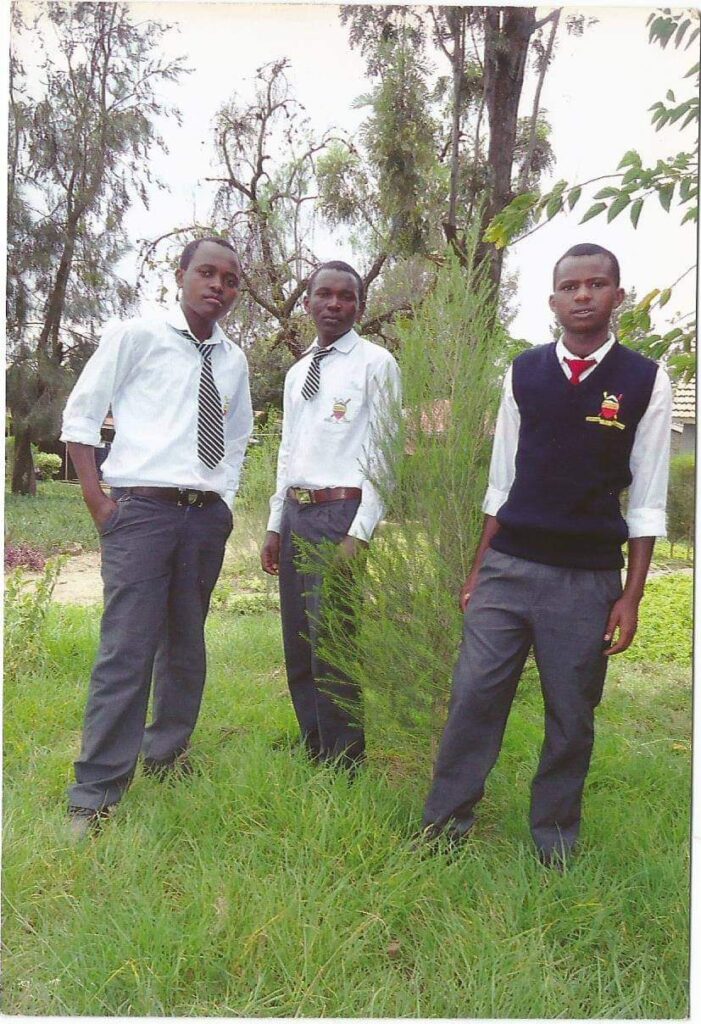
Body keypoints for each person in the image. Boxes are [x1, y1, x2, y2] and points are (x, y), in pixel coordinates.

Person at [421, 243, 672, 866]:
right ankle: (443, 828)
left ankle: (554, 841)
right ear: (553, 299)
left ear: (617, 295)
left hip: (586, 582)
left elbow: (647, 500)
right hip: (507, 569)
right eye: (570, 286)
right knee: (474, 698)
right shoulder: (523, 371)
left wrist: (631, 597)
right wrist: (479, 570)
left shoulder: (645, 380)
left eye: (597, 284)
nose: (583, 295)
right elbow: (500, 484)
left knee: (571, 715)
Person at [61, 237, 253, 835]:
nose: (217, 286)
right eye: (207, 273)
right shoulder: (136, 335)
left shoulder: (233, 360)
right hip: (141, 512)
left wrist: (224, 501)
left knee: (185, 643)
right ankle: (95, 791)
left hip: (204, 518)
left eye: (229, 279)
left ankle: (167, 751)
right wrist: (99, 502)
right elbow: (80, 417)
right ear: (181, 275)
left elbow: (237, 436)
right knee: (127, 648)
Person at [260, 260, 401, 768]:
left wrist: (360, 532)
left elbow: (385, 453)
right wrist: (275, 523)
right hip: (297, 513)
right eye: (324, 294)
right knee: (299, 636)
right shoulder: (299, 371)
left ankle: (345, 757)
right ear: (308, 302)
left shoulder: (375, 364)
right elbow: (288, 451)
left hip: (340, 513)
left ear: (360, 306)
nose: (334, 304)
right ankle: (314, 741)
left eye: (346, 296)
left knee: (334, 638)